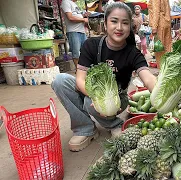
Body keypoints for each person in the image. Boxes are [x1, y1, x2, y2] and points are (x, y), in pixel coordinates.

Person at [51, 2, 157, 152]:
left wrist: (162, 94)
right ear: (105, 24)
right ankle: (85, 128)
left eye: (125, 23)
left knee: (89, 102)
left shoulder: (133, 53)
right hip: (93, 92)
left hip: (118, 98)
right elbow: (80, 79)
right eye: (114, 21)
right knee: (60, 81)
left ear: (130, 27)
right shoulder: (91, 45)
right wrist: (99, 97)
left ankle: (114, 123)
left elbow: (148, 78)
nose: (119, 27)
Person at [61, 0, 89, 69]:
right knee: (76, 53)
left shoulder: (74, 4)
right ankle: (78, 70)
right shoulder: (66, 2)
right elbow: (70, 17)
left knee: (86, 52)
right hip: (73, 31)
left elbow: (76, 16)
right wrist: (83, 20)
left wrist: (83, 16)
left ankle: (84, 69)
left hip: (81, 31)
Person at [148, 0, 172, 69]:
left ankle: (162, 71)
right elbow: (168, 9)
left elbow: (156, 11)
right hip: (167, 22)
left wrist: (154, 26)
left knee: (159, 50)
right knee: (167, 48)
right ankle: (168, 69)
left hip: (160, 24)